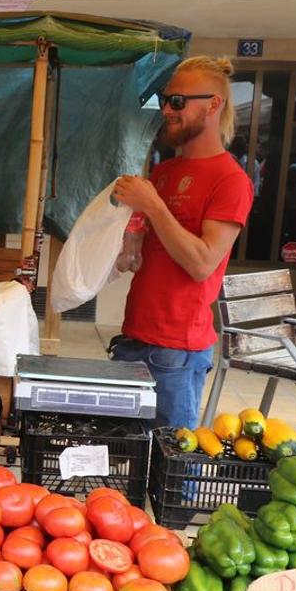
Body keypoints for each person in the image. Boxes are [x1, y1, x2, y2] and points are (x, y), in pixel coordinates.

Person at [110, 56, 253, 430]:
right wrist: (130, 246)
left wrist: (153, 206)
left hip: (177, 350)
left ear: (213, 104)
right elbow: (154, 241)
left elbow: (203, 262)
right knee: (124, 459)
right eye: (165, 99)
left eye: (178, 101)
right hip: (134, 334)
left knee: (170, 474)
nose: (168, 110)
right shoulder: (165, 170)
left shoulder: (231, 180)